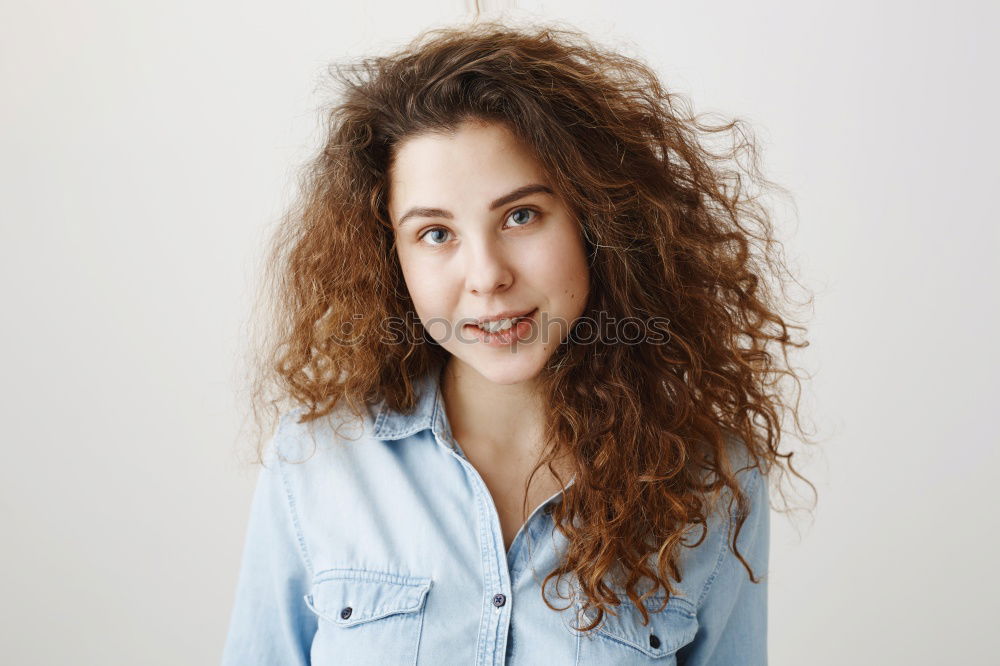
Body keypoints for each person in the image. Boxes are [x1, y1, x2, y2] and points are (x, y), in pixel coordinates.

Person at [221, 19, 812, 666]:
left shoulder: (713, 479)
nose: (487, 276)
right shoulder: (316, 460)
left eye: (521, 216)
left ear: (596, 219)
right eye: (436, 234)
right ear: (390, 256)